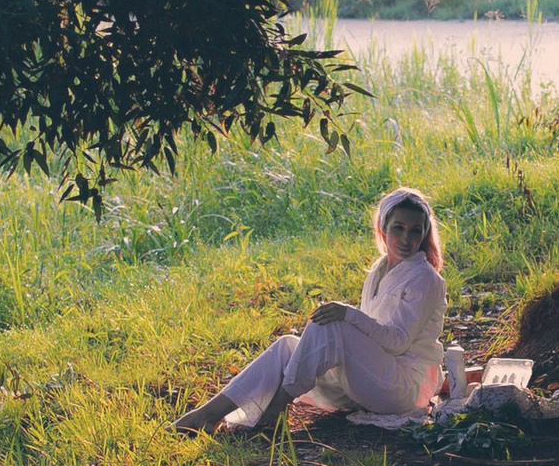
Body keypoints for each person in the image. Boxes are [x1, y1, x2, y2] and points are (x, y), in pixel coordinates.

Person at [174, 185, 448, 434]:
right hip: (372, 380)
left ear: (424, 233)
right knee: (287, 346)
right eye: (398, 228)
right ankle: (207, 414)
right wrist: (346, 320)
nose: (406, 238)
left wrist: (348, 315)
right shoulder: (380, 268)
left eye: (416, 231)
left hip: (401, 389)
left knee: (335, 323)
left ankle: (276, 409)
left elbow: (398, 342)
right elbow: (368, 332)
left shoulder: (424, 278)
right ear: (383, 228)